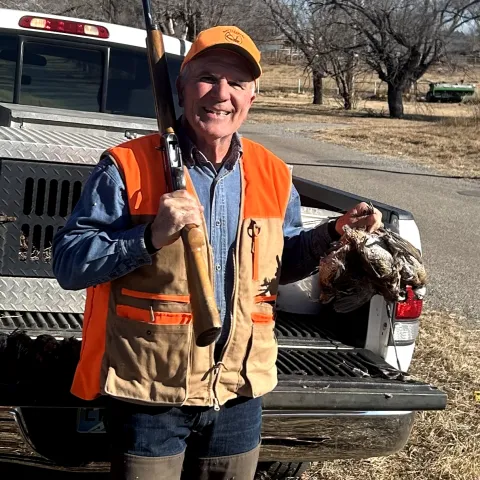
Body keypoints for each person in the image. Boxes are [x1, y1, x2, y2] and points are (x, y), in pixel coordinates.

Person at [52, 25, 382, 480]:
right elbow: (69, 262)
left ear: (253, 96)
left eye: (237, 83)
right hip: (152, 393)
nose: (221, 94)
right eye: (208, 77)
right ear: (183, 85)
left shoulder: (273, 173)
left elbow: (278, 264)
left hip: (239, 393)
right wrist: (147, 238)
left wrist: (332, 234)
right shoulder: (126, 166)